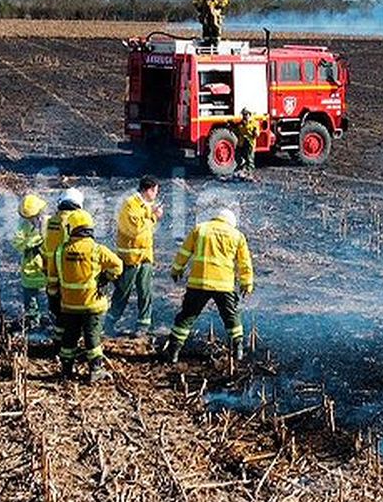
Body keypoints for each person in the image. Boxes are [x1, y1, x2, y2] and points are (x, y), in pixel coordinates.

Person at [160, 207, 255, 363]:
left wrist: (176, 270)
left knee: (187, 317)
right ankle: (238, 351)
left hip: (199, 283)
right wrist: (246, 284)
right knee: (231, 317)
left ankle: (173, 352)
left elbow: (184, 252)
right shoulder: (237, 235)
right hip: (224, 285)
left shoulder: (201, 229)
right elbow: (244, 263)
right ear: (231, 222)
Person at [56, 209, 124, 381]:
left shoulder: (60, 251)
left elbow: (53, 276)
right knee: (92, 337)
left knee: (69, 337)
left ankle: (66, 370)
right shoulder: (96, 250)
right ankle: (95, 370)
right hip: (93, 305)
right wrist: (106, 277)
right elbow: (118, 265)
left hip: (69, 305)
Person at [110, 175, 163, 334]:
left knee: (145, 291)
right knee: (123, 292)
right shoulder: (130, 204)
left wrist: (152, 214)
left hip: (145, 257)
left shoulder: (147, 205)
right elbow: (135, 230)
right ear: (149, 189)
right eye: (155, 191)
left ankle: (143, 326)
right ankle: (109, 322)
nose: (156, 195)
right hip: (130, 258)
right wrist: (154, 217)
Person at [41, 187, 85, 323]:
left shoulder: (50, 221)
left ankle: (57, 335)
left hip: (51, 273)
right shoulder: (75, 222)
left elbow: (44, 247)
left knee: (56, 311)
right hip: (70, 273)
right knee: (70, 312)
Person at [11, 193, 49, 335]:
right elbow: (17, 243)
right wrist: (33, 243)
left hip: (48, 270)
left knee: (50, 300)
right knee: (31, 302)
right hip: (30, 272)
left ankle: (50, 323)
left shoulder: (50, 223)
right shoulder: (22, 226)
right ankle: (34, 325)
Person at [231, 108, 266, 180]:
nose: (244, 116)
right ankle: (240, 171)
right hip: (241, 143)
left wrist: (255, 133)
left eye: (246, 114)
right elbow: (236, 131)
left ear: (249, 115)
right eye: (243, 114)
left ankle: (249, 173)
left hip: (249, 143)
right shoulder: (240, 124)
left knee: (249, 159)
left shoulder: (254, 123)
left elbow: (257, 134)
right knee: (237, 156)